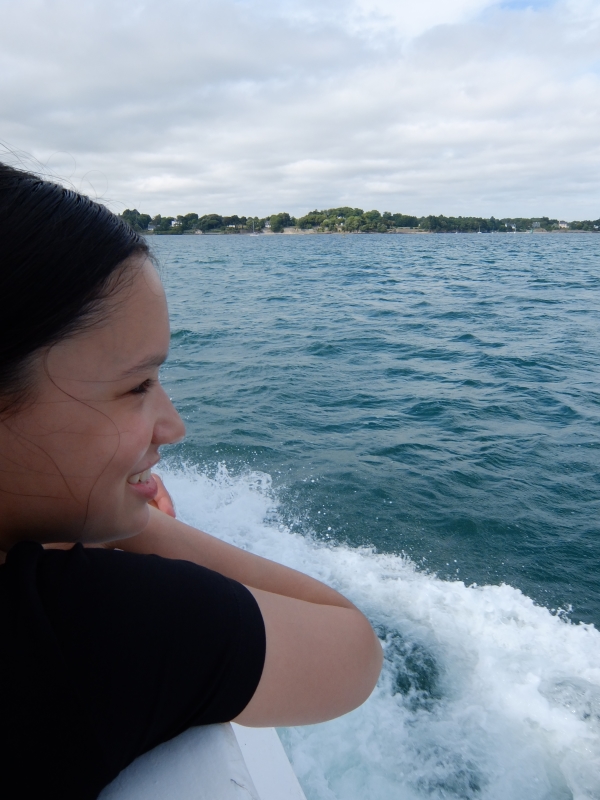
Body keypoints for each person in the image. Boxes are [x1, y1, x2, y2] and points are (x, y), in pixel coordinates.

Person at [0, 163, 383, 799]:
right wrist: (137, 525)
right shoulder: (92, 626)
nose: (173, 426)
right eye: (137, 386)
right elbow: (352, 649)